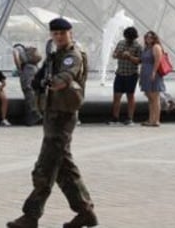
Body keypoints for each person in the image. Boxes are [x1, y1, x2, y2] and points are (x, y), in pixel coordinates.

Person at [8, 17, 95, 228]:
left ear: (70, 33)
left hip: (62, 116)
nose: (58, 37)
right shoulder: (54, 55)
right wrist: (38, 80)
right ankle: (85, 212)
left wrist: (50, 82)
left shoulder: (72, 55)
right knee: (64, 167)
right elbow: (40, 78)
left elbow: (65, 77)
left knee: (45, 169)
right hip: (53, 114)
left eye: (61, 34)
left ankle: (31, 216)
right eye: (54, 34)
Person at [108, 26, 142, 125]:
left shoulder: (138, 46)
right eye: (127, 38)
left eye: (131, 38)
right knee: (116, 96)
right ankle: (115, 118)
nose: (129, 40)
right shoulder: (121, 43)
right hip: (120, 73)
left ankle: (130, 118)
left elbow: (139, 61)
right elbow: (114, 55)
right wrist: (119, 54)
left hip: (131, 74)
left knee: (130, 96)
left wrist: (130, 57)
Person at [139, 30, 164, 127]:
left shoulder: (156, 47)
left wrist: (153, 72)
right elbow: (142, 62)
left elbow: (158, 61)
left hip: (153, 74)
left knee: (155, 97)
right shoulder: (146, 48)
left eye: (150, 37)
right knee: (150, 98)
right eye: (147, 37)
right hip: (145, 73)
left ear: (154, 38)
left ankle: (156, 120)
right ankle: (151, 119)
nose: (148, 39)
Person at [13, 43, 43, 126]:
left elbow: (16, 57)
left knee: (28, 90)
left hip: (27, 70)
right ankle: (34, 115)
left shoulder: (17, 48)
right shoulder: (28, 50)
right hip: (34, 68)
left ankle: (34, 115)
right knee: (33, 91)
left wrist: (19, 69)